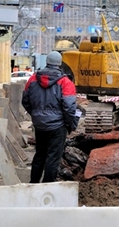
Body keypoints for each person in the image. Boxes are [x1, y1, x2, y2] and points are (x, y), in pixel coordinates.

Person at [22, 51, 79, 183]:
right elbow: (70, 107)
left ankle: (33, 184)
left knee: (39, 155)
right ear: (59, 64)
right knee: (53, 158)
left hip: (40, 125)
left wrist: (36, 115)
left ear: (47, 62)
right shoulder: (65, 82)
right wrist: (70, 123)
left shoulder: (33, 79)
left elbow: (25, 100)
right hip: (57, 127)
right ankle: (48, 187)